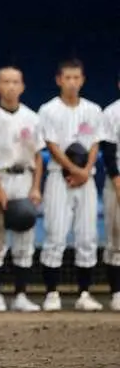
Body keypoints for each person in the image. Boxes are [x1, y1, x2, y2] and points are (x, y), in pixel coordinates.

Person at [37, 59, 104, 312]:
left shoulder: (93, 110)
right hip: (58, 177)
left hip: (86, 180)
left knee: (87, 235)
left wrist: (85, 172)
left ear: (83, 80)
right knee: (55, 233)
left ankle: (84, 293)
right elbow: (52, 145)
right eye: (68, 78)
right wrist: (75, 170)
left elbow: (95, 142)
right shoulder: (48, 109)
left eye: (77, 77)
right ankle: (51, 293)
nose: (73, 82)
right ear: (59, 80)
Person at [0, 66, 43, 313]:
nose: (11, 86)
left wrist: (36, 188)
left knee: (25, 238)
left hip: (24, 177)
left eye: (15, 81)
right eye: (5, 82)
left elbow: (37, 156)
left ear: (23, 86)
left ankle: (21, 295)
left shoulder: (32, 117)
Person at [100, 76, 120, 312]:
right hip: (117, 181)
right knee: (116, 240)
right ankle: (116, 292)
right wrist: (116, 179)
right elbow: (108, 149)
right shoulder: (112, 112)